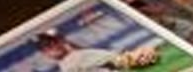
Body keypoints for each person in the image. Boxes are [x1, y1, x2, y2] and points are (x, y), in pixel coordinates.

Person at [33, 28, 161, 70]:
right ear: (44, 53)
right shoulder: (70, 63)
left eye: (53, 42)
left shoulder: (77, 56)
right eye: (47, 47)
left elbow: (116, 62)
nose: (53, 47)